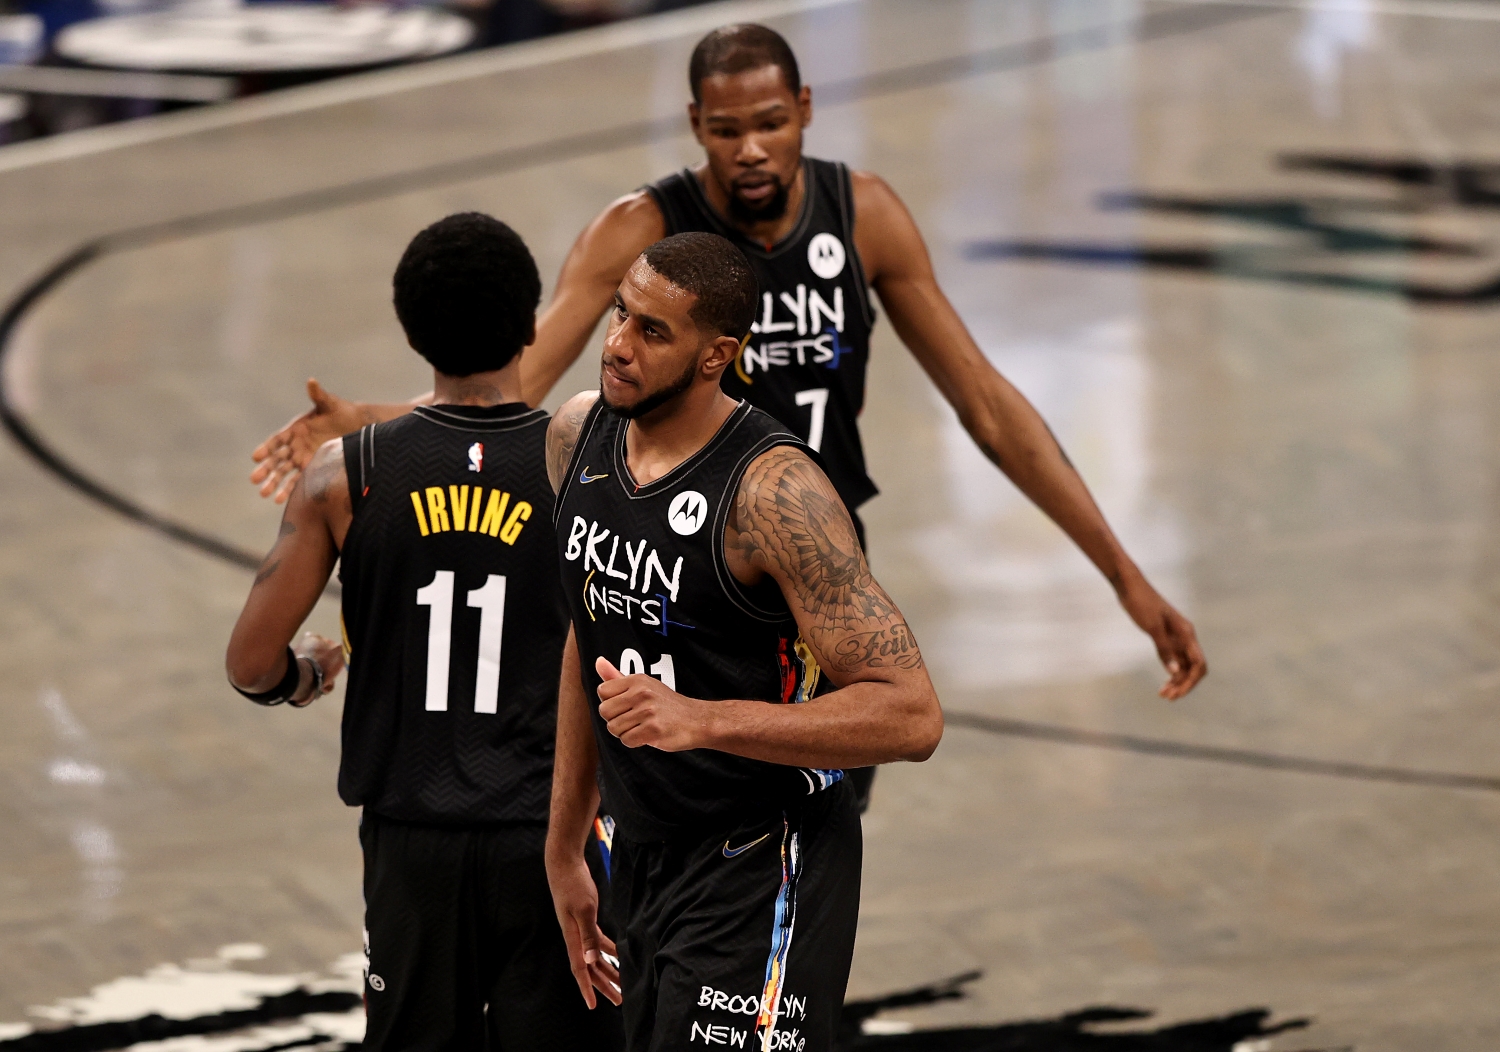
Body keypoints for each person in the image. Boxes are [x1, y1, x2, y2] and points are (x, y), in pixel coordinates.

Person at [246, 23, 1207, 808]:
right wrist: (379, 422)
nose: (751, 149)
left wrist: (1122, 574)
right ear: (696, 125)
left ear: (805, 113)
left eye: (771, 123)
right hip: (665, 571)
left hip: (807, 570)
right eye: (726, 130)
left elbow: (989, 408)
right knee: (650, 841)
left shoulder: (862, 214)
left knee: (804, 835)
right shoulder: (642, 230)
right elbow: (520, 381)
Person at [224, 212, 623, 1052]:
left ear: (411, 329)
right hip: (551, 832)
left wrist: (308, 675)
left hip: (411, 843)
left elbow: (250, 662)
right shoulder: (587, 465)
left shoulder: (346, 473)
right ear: (528, 327)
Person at [544, 230, 942, 1052]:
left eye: (652, 332)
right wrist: (563, 847)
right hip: (641, 856)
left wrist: (705, 719)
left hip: (764, 862)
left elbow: (912, 716)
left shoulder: (776, 496)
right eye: (621, 312)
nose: (616, 345)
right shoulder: (579, 436)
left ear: (715, 354)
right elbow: (592, 636)